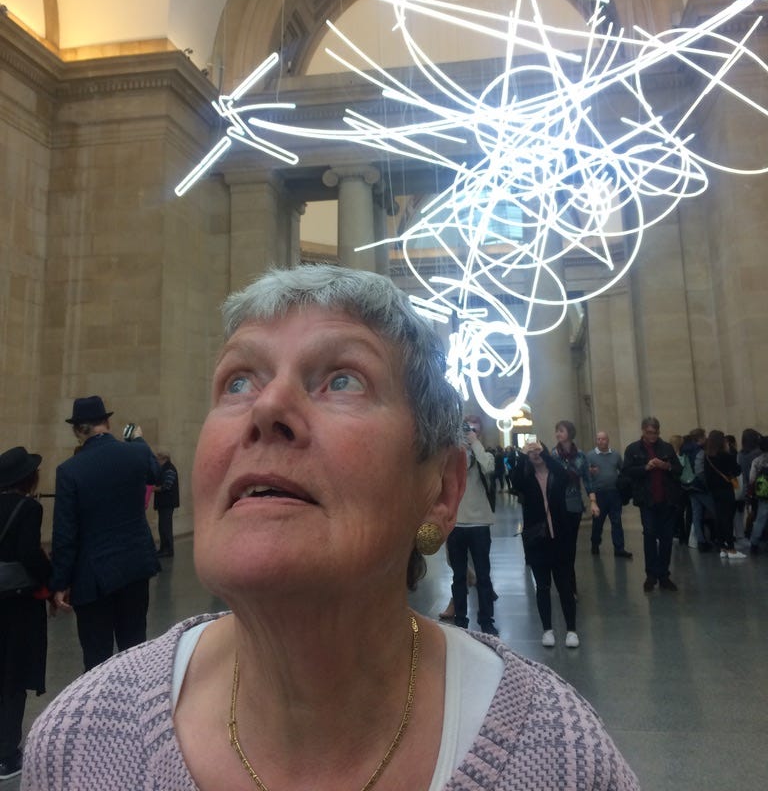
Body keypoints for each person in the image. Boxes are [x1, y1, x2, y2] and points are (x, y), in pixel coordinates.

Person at [22, 265, 639, 791]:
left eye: (342, 378)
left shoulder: (560, 758)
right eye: (239, 380)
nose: (266, 408)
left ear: (441, 489)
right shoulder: (79, 742)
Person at [49, 396, 161, 671]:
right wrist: (139, 440)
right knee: (135, 647)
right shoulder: (135, 453)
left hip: (93, 576)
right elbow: (156, 475)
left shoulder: (69, 471)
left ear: (77, 430)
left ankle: (102, 710)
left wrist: (60, 582)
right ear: (108, 423)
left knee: (97, 657)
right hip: (135, 565)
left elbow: (65, 533)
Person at [0, 446, 51, 781]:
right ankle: (6, 755)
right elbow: (30, 555)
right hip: (17, 604)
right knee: (12, 677)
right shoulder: (29, 508)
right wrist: (53, 579)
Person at [510, 439, 580, 648]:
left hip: (560, 537)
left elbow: (564, 474)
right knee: (542, 586)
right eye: (531, 451)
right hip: (537, 539)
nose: (535, 453)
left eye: (538, 449)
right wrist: (523, 455)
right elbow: (514, 481)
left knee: (565, 586)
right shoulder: (526, 477)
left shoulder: (556, 474)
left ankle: (571, 630)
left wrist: (544, 452)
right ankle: (547, 629)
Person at [446, 425, 497, 635]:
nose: (466, 434)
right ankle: (460, 620)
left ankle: (486, 620)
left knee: (483, 575)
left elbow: (489, 468)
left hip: (479, 523)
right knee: (458, 576)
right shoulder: (450, 455)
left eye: (471, 430)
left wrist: (475, 443)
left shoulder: (483, 454)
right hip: (455, 523)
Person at [623, 417, 682, 592]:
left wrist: (667, 466)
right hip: (647, 500)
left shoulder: (667, 447)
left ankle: (663, 575)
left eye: (655, 433)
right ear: (643, 431)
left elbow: (678, 469)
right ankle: (651, 575)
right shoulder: (633, 449)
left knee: (666, 538)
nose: (653, 436)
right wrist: (645, 468)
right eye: (649, 433)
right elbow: (627, 471)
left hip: (666, 499)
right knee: (649, 534)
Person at [552, 420, 599, 598]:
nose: (558, 434)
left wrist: (593, 501)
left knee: (570, 546)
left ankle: (571, 586)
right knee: (560, 545)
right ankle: (563, 583)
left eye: (561, 430)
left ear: (570, 433)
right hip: (557, 504)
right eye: (557, 431)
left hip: (573, 504)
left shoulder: (580, 456)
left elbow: (587, 480)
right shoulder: (553, 454)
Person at [587, 432, 632, 559]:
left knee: (616, 521)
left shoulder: (616, 455)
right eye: (598, 439)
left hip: (614, 492)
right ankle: (595, 543)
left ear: (608, 440)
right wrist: (589, 471)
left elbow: (622, 470)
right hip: (599, 493)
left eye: (603, 439)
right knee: (598, 522)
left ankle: (619, 548)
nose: (601, 441)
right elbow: (585, 474)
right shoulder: (590, 456)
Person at [701, 429, 745, 559]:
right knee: (728, 519)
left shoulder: (707, 456)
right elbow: (737, 470)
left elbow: (707, 476)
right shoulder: (725, 455)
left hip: (714, 491)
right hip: (726, 490)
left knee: (719, 518)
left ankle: (722, 548)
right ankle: (731, 548)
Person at [153, 453, 180, 558]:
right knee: (162, 527)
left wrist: (152, 489)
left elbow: (167, 486)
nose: (156, 461)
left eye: (157, 459)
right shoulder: (164, 469)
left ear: (164, 459)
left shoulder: (169, 469)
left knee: (166, 527)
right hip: (164, 503)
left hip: (167, 503)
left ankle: (168, 550)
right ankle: (163, 549)